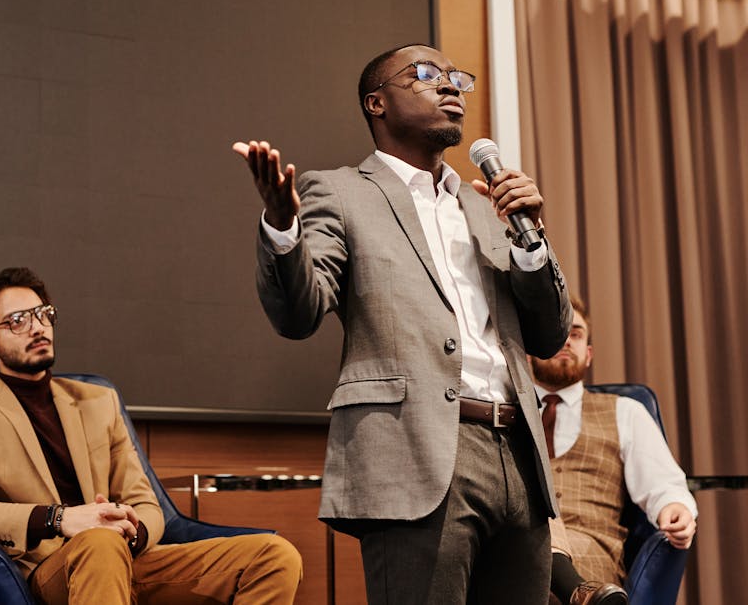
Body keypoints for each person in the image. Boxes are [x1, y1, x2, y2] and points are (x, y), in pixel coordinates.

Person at [233, 43, 572, 604]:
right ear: (377, 103)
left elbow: (549, 336)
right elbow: (298, 313)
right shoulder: (339, 192)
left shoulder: (485, 203)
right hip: (417, 454)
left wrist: (533, 241)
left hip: (518, 451)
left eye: (454, 78)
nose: (449, 87)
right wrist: (281, 225)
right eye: (424, 75)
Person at [0, 267, 303, 605]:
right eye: (17, 321)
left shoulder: (98, 400)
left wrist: (131, 528)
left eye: (43, 314)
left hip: (127, 556)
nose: (38, 327)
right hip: (51, 570)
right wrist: (61, 519)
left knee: (274, 556)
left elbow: (146, 503)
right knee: (97, 542)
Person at [533, 297, 697, 605]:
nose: (567, 341)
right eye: (557, 333)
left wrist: (676, 508)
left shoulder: (626, 411)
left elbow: (664, 486)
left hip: (592, 557)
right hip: (516, 546)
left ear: (589, 354)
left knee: (526, 569)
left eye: (577, 334)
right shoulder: (506, 414)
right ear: (529, 352)